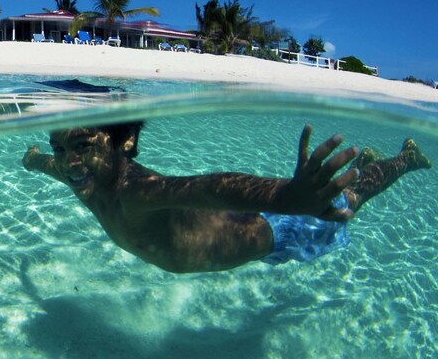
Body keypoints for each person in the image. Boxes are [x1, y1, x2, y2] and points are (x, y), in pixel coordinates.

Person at [23, 123, 431, 273]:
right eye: (60, 149)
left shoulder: (133, 191)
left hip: (277, 226)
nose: (70, 162)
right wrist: (34, 159)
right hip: (240, 220)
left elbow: (208, 187)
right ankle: (373, 162)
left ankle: (404, 159)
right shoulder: (80, 176)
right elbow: (50, 165)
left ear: (124, 141)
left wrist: (288, 197)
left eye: (82, 146)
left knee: (351, 199)